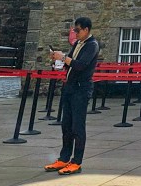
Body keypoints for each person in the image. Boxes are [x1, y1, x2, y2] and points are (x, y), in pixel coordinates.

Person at [44, 16, 100, 176]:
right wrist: (58, 60)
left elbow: (81, 65)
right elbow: (70, 63)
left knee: (78, 126)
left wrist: (63, 57)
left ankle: (76, 162)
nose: (75, 33)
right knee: (66, 125)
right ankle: (64, 157)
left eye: (77, 30)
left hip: (81, 89)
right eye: (74, 30)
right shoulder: (77, 44)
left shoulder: (92, 45)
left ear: (86, 30)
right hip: (70, 87)